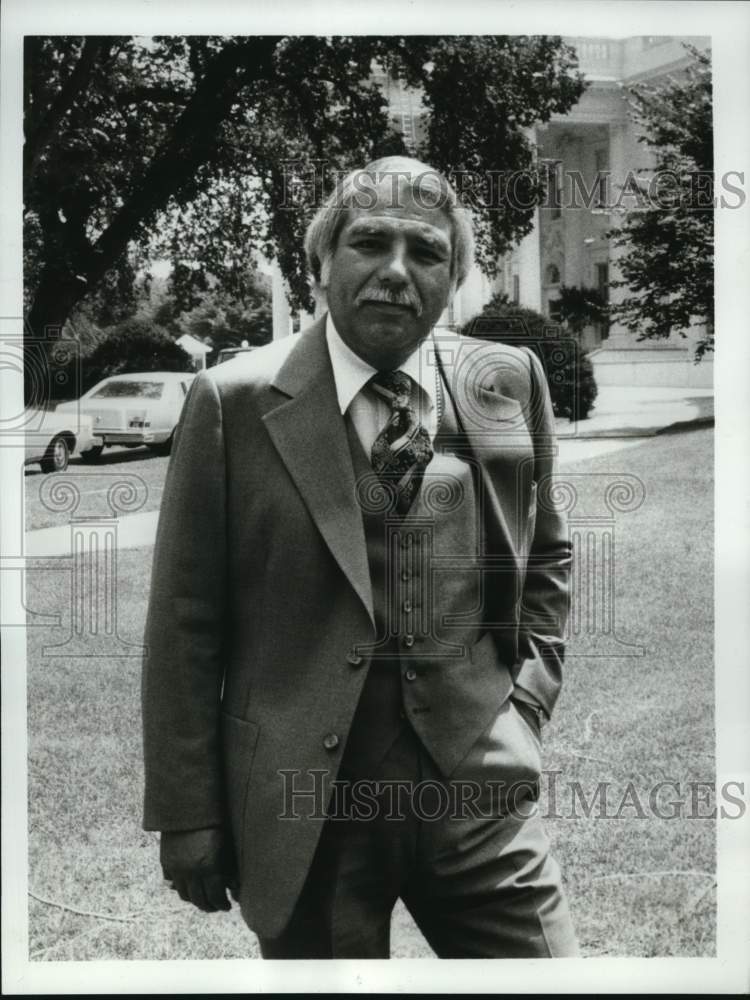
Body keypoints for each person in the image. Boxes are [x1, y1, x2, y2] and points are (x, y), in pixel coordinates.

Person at [141, 156, 579, 958]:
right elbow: (184, 620)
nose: (396, 272)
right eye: (370, 243)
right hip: (309, 806)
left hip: (478, 789)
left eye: (427, 252)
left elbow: (545, 551)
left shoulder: (506, 381)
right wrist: (188, 811)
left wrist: (526, 701)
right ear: (321, 261)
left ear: (455, 278)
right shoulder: (232, 403)